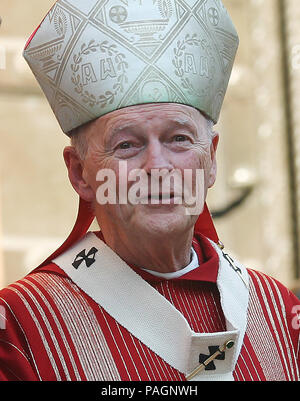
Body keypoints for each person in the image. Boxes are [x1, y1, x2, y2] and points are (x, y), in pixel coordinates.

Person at [0, 0, 299, 382]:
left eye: (178, 139)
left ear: (211, 159)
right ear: (79, 173)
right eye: (127, 145)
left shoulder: (279, 312)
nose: (158, 167)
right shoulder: (21, 327)